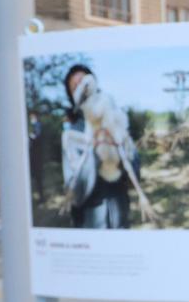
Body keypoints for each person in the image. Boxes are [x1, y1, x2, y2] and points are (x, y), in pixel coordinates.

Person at [59, 64, 148, 228]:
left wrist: (123, 154)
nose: (81, 88)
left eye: (83, 82)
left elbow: (134, 166)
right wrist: (94, 155)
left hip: (119, 214)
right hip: (91, 222)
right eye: (75, 86)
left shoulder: (113, 115)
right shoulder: (74, 133)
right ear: (71, 96)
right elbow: (76, 191)